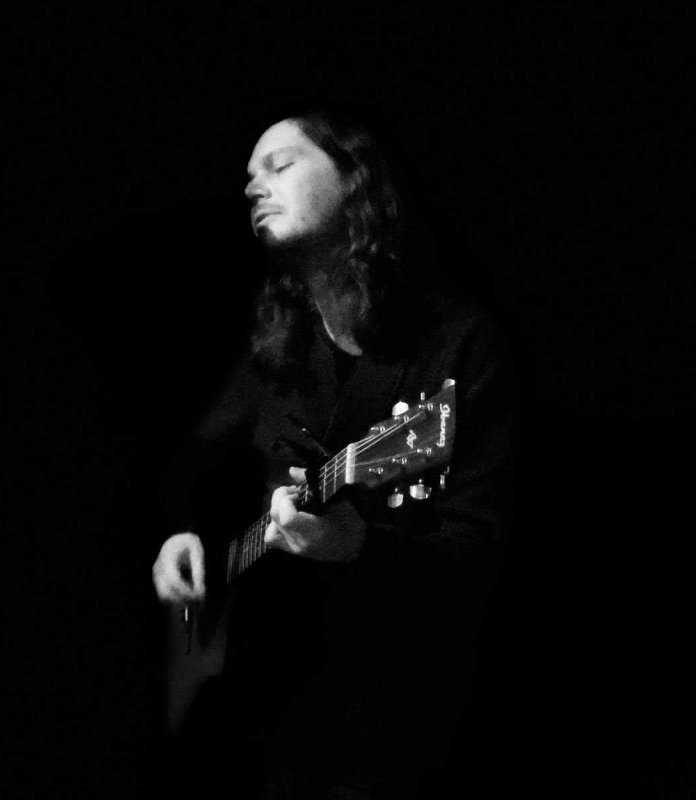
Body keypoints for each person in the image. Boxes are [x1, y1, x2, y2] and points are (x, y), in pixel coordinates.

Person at [151, 106, 518, 799]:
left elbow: (481, 554)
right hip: (272, 703)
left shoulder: (460, 343)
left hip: (396, 719)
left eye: (280, 165)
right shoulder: (279, 343)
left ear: (354, 179)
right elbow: (187, 464)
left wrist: (360, 547)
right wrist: (178, 534)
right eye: (249, 178)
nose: (254, 187)